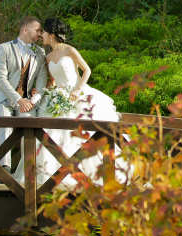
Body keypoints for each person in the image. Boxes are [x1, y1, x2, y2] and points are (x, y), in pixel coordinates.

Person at [15, 17, 129, 188]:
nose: (41, 35)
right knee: (48, 132)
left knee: (81, 133)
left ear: (51, 34)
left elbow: (87, 70)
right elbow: (52, 81)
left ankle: (90, 174)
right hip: (58, 97)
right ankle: (46, 177)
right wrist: (42, 91)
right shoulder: (48, 56)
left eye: (43, 32)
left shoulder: (70, 50)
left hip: (78, 94)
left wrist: (77, 90)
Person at [0, 16, 48, 172]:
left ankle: (27, 167)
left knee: (30, 122)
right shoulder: (5, 48)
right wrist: (18, 100)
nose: (40, 34)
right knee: (5, 121)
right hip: (3, 96)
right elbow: (1, 78)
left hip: (27, 100)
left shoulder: (40, 53)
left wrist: (32, 102)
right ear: (25, 30)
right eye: (37, 30)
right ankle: (4, 167)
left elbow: (42, 84)